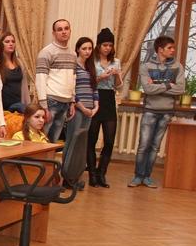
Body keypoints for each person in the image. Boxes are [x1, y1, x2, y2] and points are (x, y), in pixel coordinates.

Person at [129, 35, 185, 188]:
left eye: (173, 48)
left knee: (155, 147)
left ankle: (147, 177)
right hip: (150, 111)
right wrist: (168, 85)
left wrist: (157, 85)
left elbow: (180, 89)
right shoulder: (146, 66)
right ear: (160, 49)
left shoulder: (178, 67)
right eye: (170, 48)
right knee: (143, 145)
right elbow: (147, 89)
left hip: (167, 112)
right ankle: (138, 176)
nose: (173, 50)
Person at [87, 28, 122, 188]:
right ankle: (92, 174)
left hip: (109, 99)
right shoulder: (91, 61)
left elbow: (118, 85)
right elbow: (88, 82)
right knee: (91, 139)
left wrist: (117, 75)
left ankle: (102, 173)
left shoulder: (116, 61)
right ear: (99, 46)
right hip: (95, 98)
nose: (108, 48)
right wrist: (101, 77)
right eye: (105, 45)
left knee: (109, 140)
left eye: (110, 45)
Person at [36, 19, 76, 142]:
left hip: (65, 102)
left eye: (66, 28)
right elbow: (40, 78)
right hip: (51, 101)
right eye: (60, 29)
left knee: (53, 141)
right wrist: (44, 105)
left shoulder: (73, 54)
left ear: (70, 31)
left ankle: (50, 157)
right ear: (54, 33)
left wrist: (72, 101)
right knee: (43, 139)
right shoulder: (46, 52)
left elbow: (73, 78)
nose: (64, 32)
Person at [65, 37, 99, 175]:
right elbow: (71, 89)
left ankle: (75, 175)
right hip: (78, 109)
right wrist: (82, 108)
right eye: (84, 48)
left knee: (82, 144)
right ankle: (67, 175)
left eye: (90, 48)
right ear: (78, 49)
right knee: (72, 142)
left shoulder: (91, 67)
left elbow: (94, 88)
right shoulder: (74, 65)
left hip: (90, 110)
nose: (87, 51)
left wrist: (96, 107)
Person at [0, 31, 30, 113]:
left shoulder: (19, 63)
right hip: (2, 107)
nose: (11, 44)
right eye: (7, 42)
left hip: (18, 105)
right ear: (1, 44)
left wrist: (28, 105)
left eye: (13, 41)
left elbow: (24, 86)